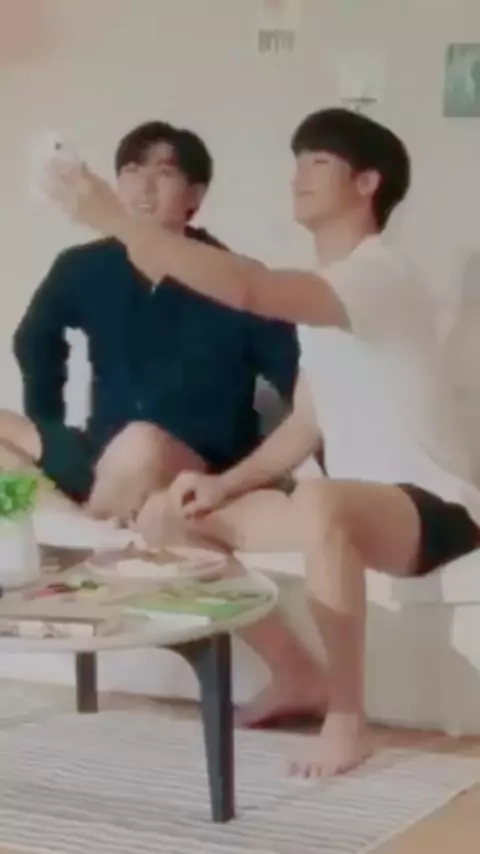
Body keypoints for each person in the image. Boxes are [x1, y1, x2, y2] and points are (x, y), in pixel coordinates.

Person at [46, 108, 480, 777]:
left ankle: (347, 719)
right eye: (297, 160)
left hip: (435, 509)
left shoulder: (378, 275)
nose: (299, 175)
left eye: (319, 162)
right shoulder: (328, 292)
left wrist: (114, 217)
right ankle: (296, 673)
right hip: (350, 504)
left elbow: (248, 289)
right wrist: (220, 484)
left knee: (322, 501)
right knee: (169, 513)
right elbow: (306, 423)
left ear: (367, 183)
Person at [2, 121, 299, 521]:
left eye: (164, 173)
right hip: (101, 453)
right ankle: (80, 522)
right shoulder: (85, 265)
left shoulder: (234, 278)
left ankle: (82, 529)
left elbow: (301, 381)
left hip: (197, 465)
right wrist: (48, 424)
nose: (144, 187)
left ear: (195, 194)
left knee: (140, 443)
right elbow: (33, 341)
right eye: (132, 171)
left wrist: (260, 475)